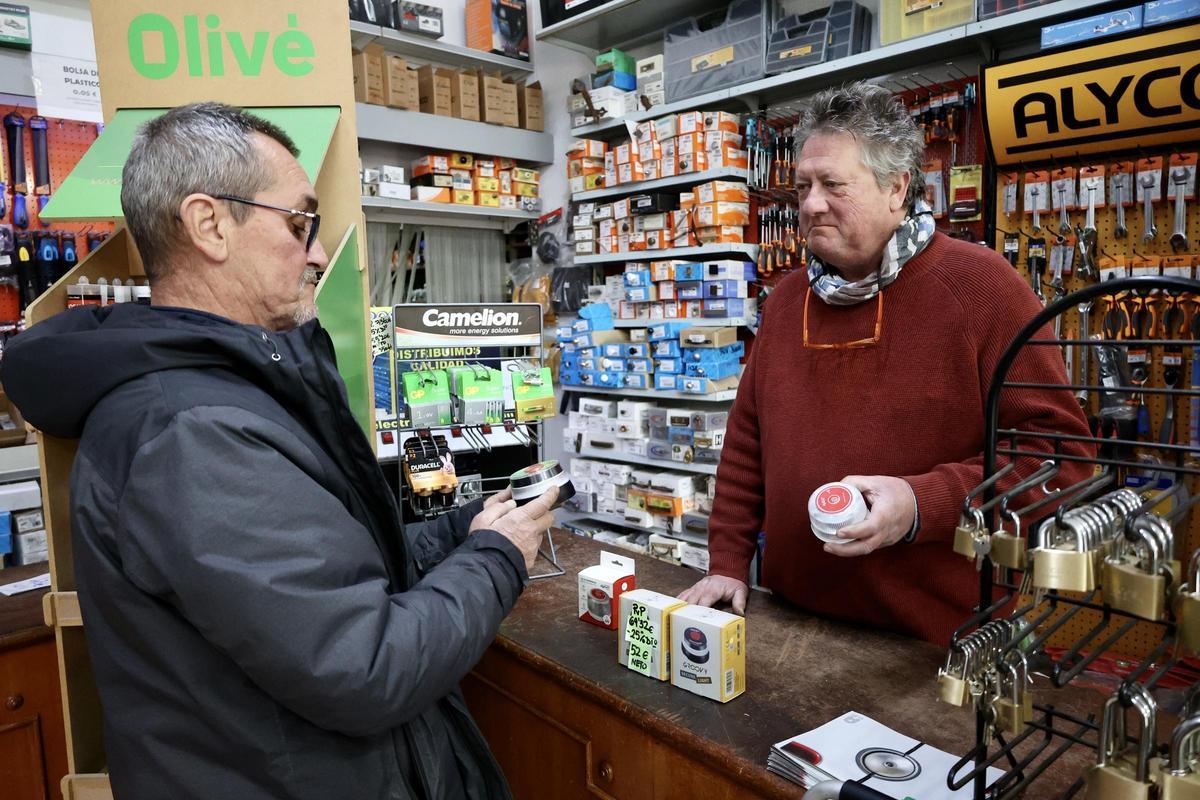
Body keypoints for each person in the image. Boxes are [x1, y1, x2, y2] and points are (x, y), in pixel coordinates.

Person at [0, 102, 556, 799]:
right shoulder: (189, 431)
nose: (319, 253)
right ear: (209, 226)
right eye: (300, 224)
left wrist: (463, 531)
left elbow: (326, 573)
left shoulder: (227, 392)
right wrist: (498, 558)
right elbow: (365, 665)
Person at [679, 83, 1093, 645]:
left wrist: (921, 504)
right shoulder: (785, 302)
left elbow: (1060, 457)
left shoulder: (982, 288)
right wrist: (726, 560)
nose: (810, 204)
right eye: (802, 187)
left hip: (937, 643)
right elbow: (748, 441)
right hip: (792, 622)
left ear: (897, 188)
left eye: (833, 185)